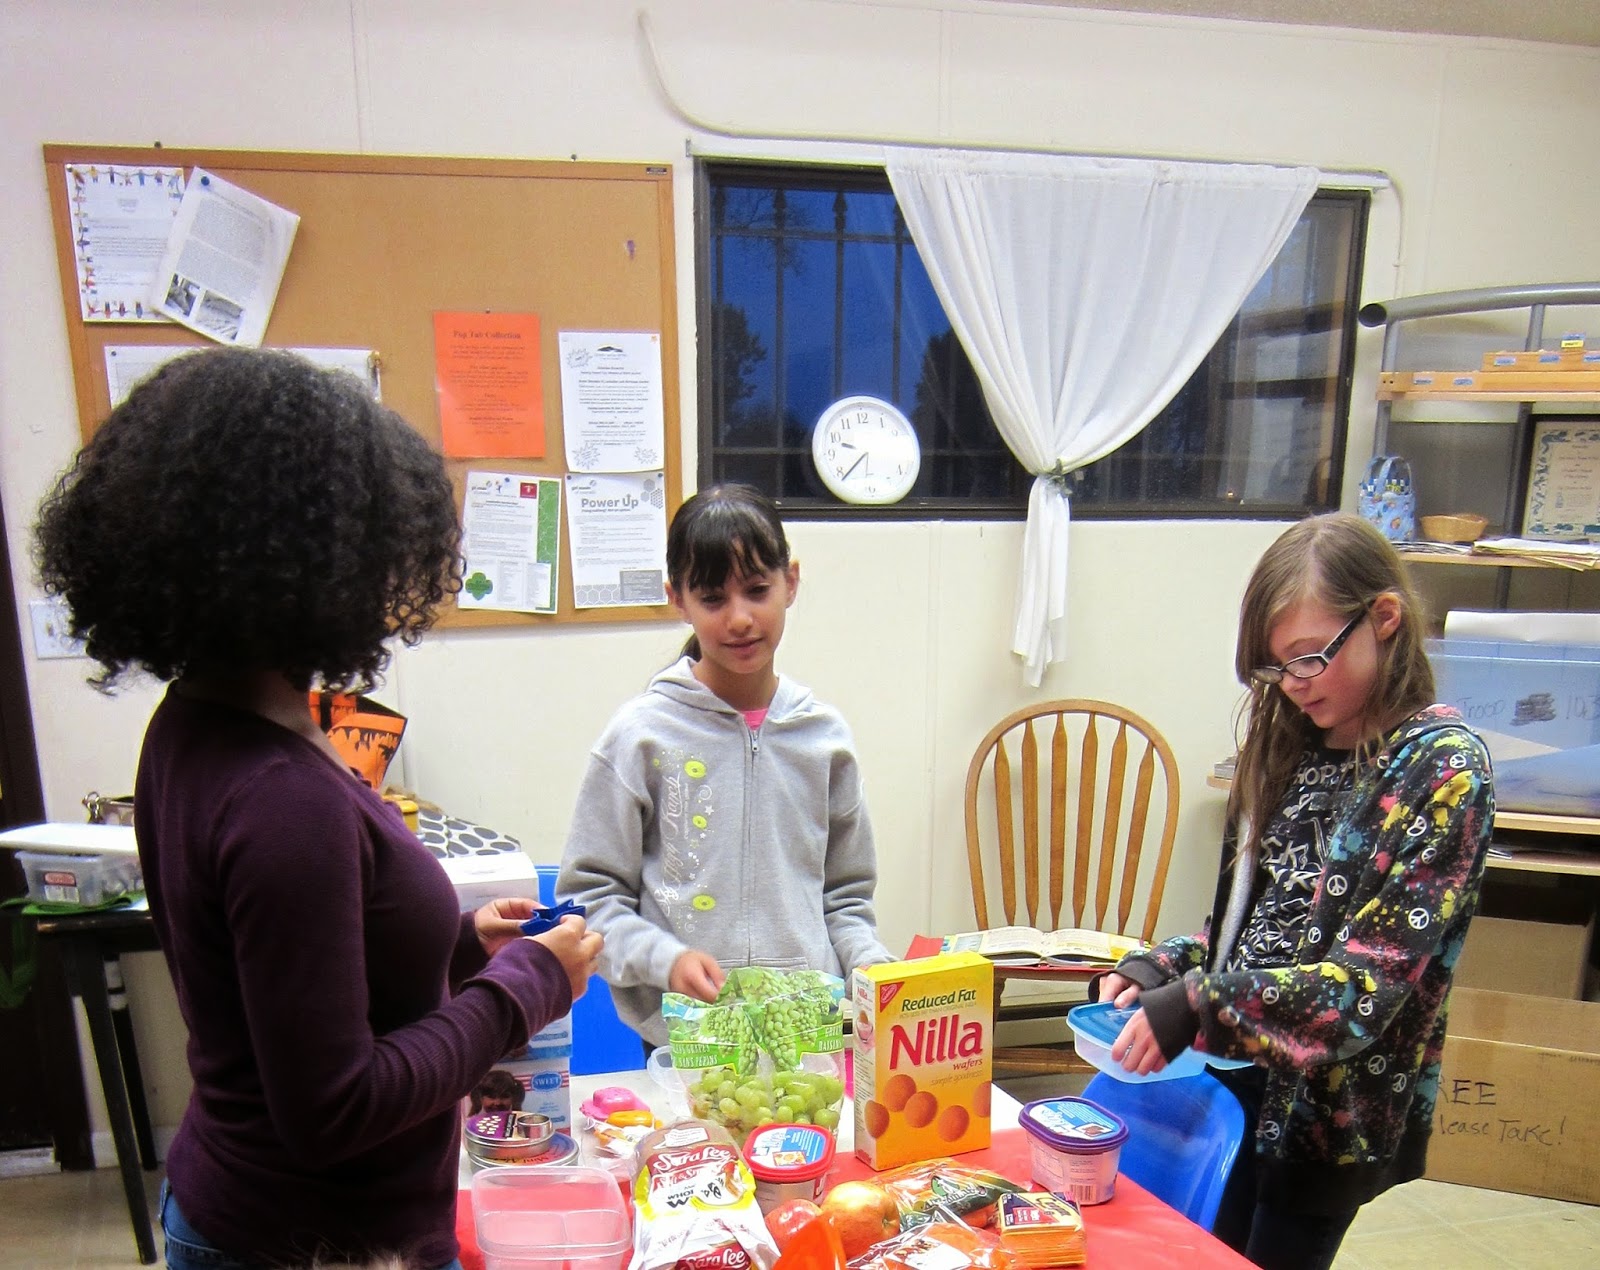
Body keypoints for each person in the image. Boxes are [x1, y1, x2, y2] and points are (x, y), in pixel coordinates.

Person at [34, 348, 603, 1270]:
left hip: (243, 1207)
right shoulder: (283, 800)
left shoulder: (193, 725)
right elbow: (335, 1107)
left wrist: (461, 947)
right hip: (314, 1243)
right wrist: (529, 985)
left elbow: (289, 990)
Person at [1094, 512, 1494, 1270]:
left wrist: (1200, 1004)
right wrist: (1168, 965)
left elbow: (1361, 993)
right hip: (1226, 1086)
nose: (1293, 684)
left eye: (1309, 657)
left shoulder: (1442, 773)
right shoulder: (1290, 745)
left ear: (1384, 618)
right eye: (1277, 668)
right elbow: (1250, 934)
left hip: (1322, 1127)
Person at [558, 483, 893, 1049]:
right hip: (686, 1038)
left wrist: (872, 967)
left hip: (807, 1033)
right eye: (713, 599)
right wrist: (667, 959)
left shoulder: (823, 739)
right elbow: (589, 902)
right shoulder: (641, 736)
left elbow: (845, 897)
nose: (739, 618)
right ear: (677, 598)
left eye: (757, 590)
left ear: (790, 582)